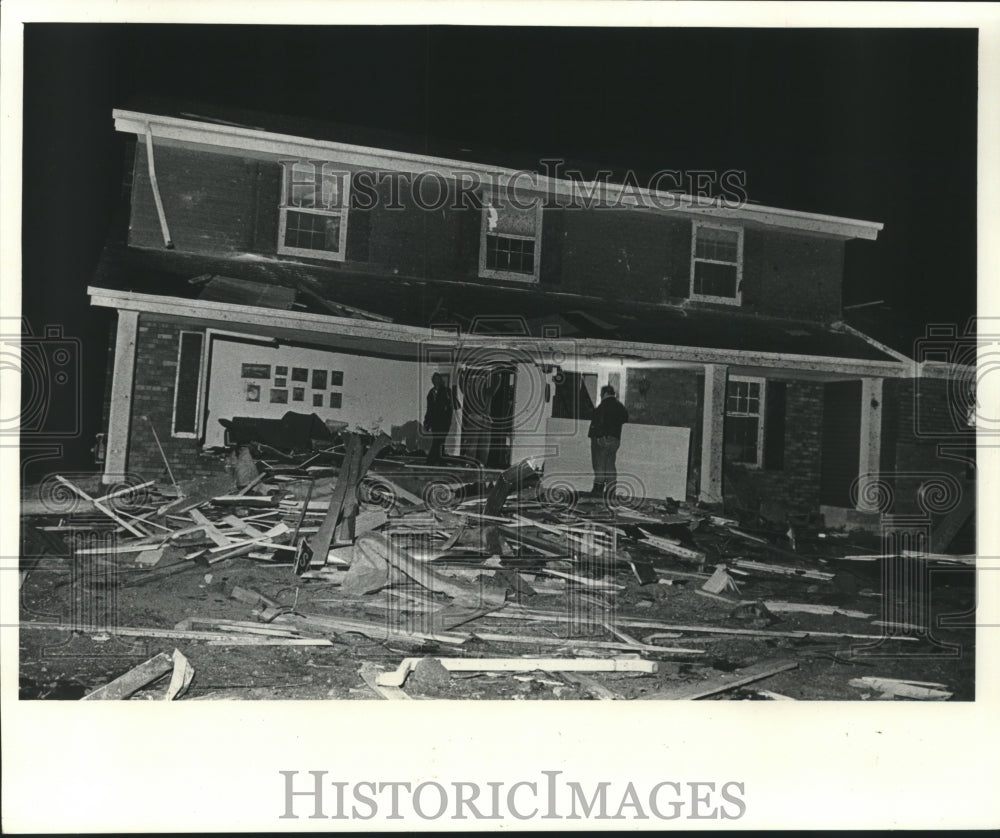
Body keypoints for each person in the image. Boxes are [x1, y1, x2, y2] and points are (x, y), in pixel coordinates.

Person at [588, 384, 629, 497]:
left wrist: (600, 436)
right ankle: (611, 491)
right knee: (610, 464)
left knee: (599, 464)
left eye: (601, 394)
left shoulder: (603, 405)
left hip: (602, 438)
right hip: (615, 439)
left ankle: (598, 489)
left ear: (605, 393)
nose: (601, 396)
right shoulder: (620, 406)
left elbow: (598, 421)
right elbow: (625, 418)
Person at [423, 372, 453, 465]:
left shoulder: (446, 391)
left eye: (437, 379)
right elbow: (429, 409)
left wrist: (449, 420)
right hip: (435, 422)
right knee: (438, 441)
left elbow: (450, 407)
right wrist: (426, 422)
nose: (436, 381)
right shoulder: (431, 393)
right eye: (434, 379)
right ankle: (439, 460)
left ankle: (432, 460)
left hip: (443, 421)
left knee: (439, 441)